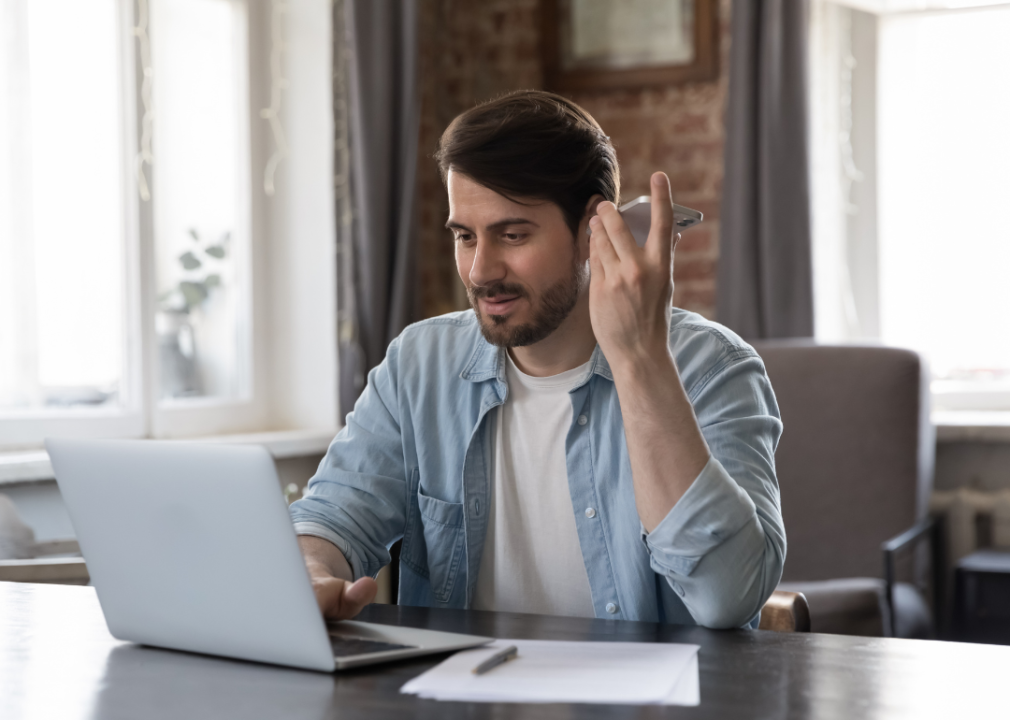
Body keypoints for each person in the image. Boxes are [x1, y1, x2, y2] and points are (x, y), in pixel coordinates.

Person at [290, 90, 785, 629]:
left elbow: (727, 597)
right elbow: (334, 516)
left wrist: (639, 359)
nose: (480, 271)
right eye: (464, 236)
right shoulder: (419, 365)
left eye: (512, 234)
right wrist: (312, 570)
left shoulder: (711, 366)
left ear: (593, 230)